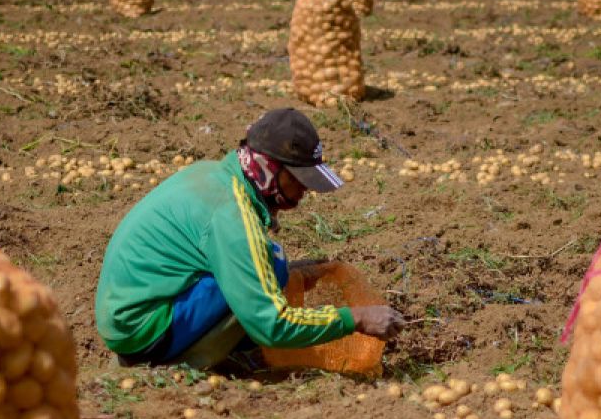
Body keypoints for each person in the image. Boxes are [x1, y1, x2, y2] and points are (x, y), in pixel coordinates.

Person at [94, 108, 406, 369]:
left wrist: (293, 269)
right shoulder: (231, 215)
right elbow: (272, 325)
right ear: (269, 170)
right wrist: (356, 319)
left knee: (274, 265)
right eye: (298, 179)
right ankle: (180, 363)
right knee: (269, 271)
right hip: (142, 329)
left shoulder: (217, 175)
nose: (305, 191)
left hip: (128, 312)